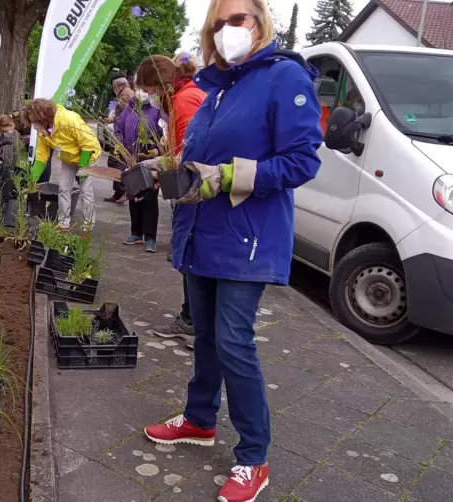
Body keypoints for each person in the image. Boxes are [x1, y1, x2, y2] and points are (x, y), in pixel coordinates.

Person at [143, 1, 323, 501]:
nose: (226, 30)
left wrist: (229, 177)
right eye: (217, 24)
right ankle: (200, 420)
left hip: (247, 236)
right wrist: (168, 163)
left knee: (233, 342)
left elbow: (302, 161)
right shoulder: (217, 89)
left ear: (260, 23)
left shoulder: (283, 78)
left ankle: (254, 456)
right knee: (205, 335)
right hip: (203, 232)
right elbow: (199, 157)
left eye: (236, 19)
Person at [134, 52, 206, 346]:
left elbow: (193, 154)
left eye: (150, 90)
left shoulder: (185, 100)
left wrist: (157, 168)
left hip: (195, 190)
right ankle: (193, 320)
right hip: (194, 185)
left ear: (162, 84)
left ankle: (193, 322)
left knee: (190, 256)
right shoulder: (187, 95)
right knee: (190, 255)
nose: (149, 97)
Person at [23, 98, 102, 230]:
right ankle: (63, 223)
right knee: (63, 189)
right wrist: (32, 180)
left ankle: (87, 226)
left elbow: (88, 145)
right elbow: (42, 156)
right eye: (32, 122)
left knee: (85, 191)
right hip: (68, 159)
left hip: (88, 156)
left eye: (36, 121)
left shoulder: (69, 120)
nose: (34, 125)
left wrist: (82, 169)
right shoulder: (43, 130)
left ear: (44, 116)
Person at [116, 90, 164, 253]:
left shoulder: (157, 109)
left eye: (145, 88)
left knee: (149, 198)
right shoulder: (129, 108)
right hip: (130, 159)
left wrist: (158, 150)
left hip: (149, 161)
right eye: (139, 88)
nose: (141, 92)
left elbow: (165, 134)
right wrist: (119, 145)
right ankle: (136, 232)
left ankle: (150, 237)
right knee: (133, 195)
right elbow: (118, 127)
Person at [103, 71, 135, 204]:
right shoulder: (127, 93)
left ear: (117, 85)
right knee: (116, 162)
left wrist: (112, 119)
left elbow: (127, 117)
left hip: (123, 136)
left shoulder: (125, 95)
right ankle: (118, 192)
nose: (113, 89)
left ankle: (123, 190)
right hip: (122, 135)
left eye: (113, 86)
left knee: (116, 162)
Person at [0, 115, 19, 227]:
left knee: (10, 191)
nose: (6, 131)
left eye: (7, 128)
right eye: (3, 130)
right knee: (4, 191)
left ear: (11, 125)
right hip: (1, 167)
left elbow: (15, 154)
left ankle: (4, 216)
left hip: (9, 167)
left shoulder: (15, 135)